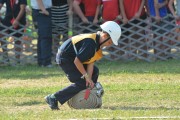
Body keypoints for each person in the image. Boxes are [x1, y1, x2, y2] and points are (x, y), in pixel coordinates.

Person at [44, 21, 121, 110]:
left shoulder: (96, 44)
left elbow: (90, 63)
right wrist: (86, 76)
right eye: (110, 42)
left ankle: (88, 94)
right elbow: (77, 61)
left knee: (94, 72)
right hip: (66, 58)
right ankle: (53, 98)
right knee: (82, 82)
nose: (109, 45)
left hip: (73, 58)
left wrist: (90, 79)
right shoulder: (90, 43)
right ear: (105, 36)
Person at [0, 0, 27, 64]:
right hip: (7, 19)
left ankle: (17, 60)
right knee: (2, 34)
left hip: (20, 20)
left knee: (17, 39)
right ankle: (5, 57)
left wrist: (17, 20)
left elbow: (22, 9)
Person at [31, 0, 53, 67]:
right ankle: (46, 62)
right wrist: (43, 10)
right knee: (46, 37)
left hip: (40, 11)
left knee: (42, 37)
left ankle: (41, 61)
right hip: (41, 11)